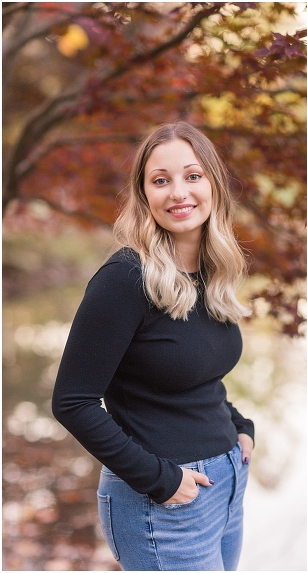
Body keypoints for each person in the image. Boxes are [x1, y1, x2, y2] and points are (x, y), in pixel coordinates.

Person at [52, 122, 254, 570]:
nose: (178, 192)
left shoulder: (211, 273)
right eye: (160, 181)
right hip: (164, 505)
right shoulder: (124, 279)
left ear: (215, 186)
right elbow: (72, 402)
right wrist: (160, 480)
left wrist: (239, 425)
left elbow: (197, 374)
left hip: (227, 485)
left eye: (193, 176)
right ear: (144, 197)